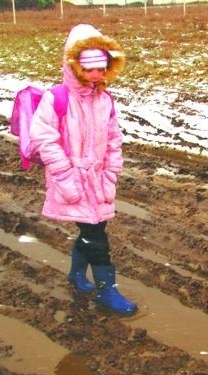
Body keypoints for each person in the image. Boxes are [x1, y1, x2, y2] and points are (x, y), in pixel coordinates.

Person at [29, 23, 137, 315]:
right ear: (74, 65)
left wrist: (111, 173)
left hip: (99, 179)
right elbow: (44, 138)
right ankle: (107, 290)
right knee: (96, 237)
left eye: (101, 69)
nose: (96, 75)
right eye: (89, 68)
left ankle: (77, 275)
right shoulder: (57, 98)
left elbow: (114, 139)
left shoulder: (105, 100)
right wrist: (64, 175)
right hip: (72, 178)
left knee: (94, 229)